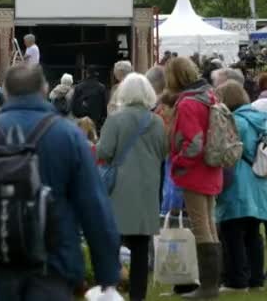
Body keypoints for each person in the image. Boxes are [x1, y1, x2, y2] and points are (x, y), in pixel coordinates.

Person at [0, 64, 121, 301]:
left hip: (0, 256)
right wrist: (107, 271)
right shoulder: (67, 135)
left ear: (5, 92)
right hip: (54, 259)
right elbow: (94, 206)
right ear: (44, 89)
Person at [96, 73, 167, 301]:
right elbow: (163, 151)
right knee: (140, 248)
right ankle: (138, 296)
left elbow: (104, 152)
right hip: (147, 187)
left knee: (112, 244)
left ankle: (110, 292)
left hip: (119, 188)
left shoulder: (116, 119)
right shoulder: (156, 121)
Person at [165, 57, 222, 299]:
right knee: (209, 224)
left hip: (194, 171)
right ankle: (213, 284)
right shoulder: (210, 96)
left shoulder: (188, 103)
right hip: (211, 167)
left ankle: (208, 288)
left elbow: (194, 141)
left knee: (201, 226)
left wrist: (178, 163)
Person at [214, 81, 267, 292]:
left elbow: (224, 152)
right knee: (253, 233)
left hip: (238, 183)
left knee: (232, 233)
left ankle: (237, 280)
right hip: (259, 183)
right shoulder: (260, 120)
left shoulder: (235, 122)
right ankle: (256, 279)